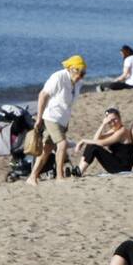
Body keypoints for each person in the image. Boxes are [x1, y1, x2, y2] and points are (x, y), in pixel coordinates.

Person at [29, 55, 86, 185]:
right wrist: (39, 118)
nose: (81, 76)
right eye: (80, 73)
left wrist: (67, 120)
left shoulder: (78, 83)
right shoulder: (58, 77)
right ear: (71, 69)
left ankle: (32, 177)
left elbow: (68, 103)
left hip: (63, 120)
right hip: (51, 117)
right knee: (62, 144)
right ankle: (60, 176)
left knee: (47, 150)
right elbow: (42, 95)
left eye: (84, 74)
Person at [74, 107, 133, 175]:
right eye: (110, 121)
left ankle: (79, 171)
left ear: (119, 118)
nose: (113, 123)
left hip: (123, 167)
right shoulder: (114, 130)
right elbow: (95, 139)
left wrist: (83, 141)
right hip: (116, 163)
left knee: (94, 146)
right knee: (91, 144)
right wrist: (103, 124)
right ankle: (79, 169)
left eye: (115, 119)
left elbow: (102, 143)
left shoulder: (122, 131)